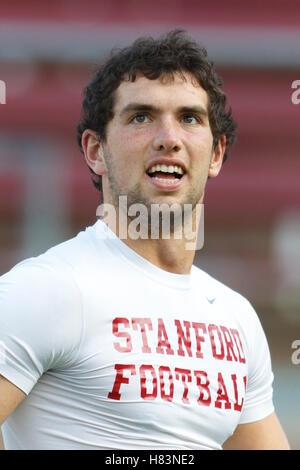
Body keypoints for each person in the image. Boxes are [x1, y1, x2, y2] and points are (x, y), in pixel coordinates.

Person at [0, 30, 289, 450]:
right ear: (95, 150)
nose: (168, 138)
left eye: (189, 118)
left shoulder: (235, 318)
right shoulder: (46, 290)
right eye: (141, 116)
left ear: (217, 154)